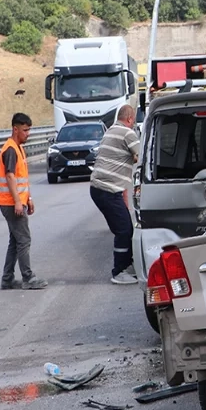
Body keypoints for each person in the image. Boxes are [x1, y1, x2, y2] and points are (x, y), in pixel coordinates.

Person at [0, 112, 48, 290]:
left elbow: (21, 177)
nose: (28, 134)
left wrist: (28, 198)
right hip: (10, 203)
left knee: (16, 241)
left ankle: (7, 279)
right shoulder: (10, 149)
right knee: (24, 239)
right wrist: (18, 202)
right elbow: (10, 177)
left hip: (15, 201)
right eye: (25, 130)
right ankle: (28, 278)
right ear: (15, 129)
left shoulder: (18, 148)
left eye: (29, 130)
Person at [89, 104, 140, 285]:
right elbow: (142, 157)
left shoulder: (111, 131)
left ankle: (129, 265)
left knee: (125, 227)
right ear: (130, 119)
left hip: (100, 189)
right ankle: (119, 271)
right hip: (107, 190)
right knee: (124, 230)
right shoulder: (128, 133)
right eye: (133, 121)